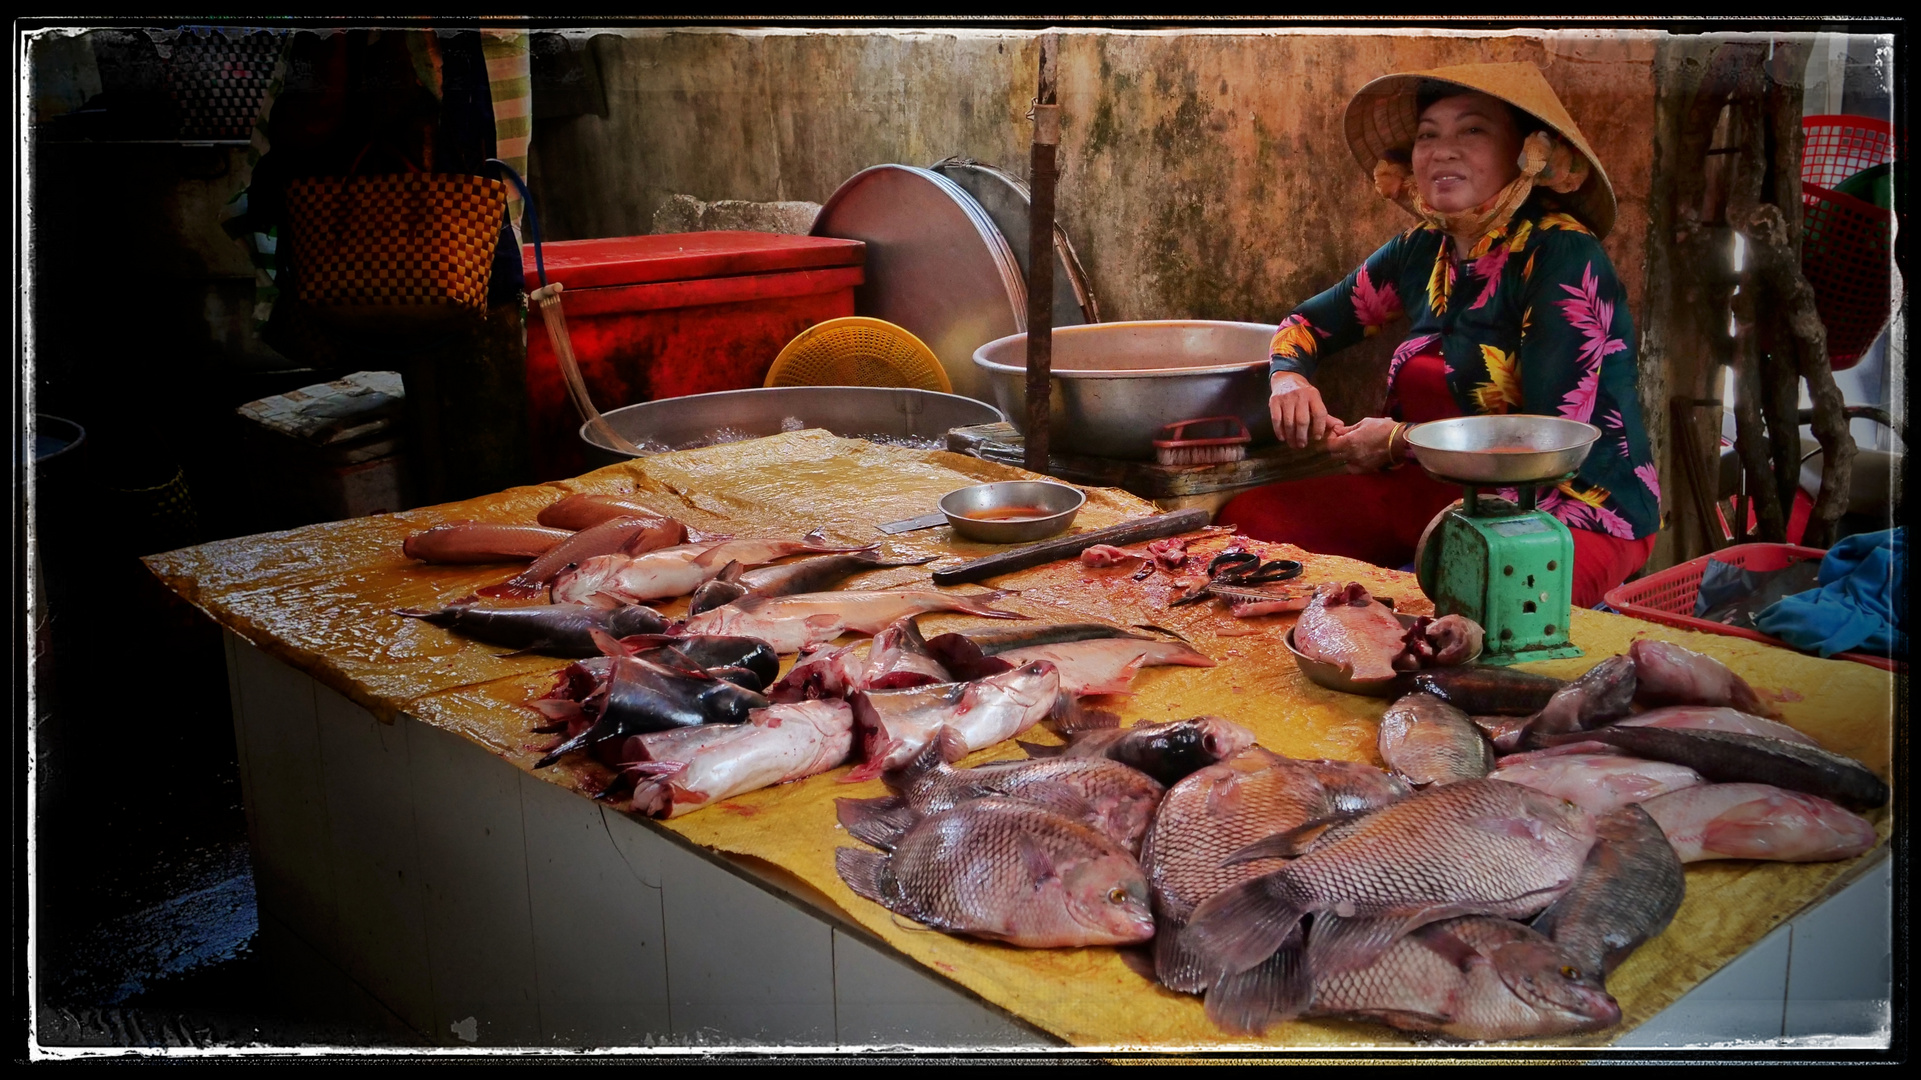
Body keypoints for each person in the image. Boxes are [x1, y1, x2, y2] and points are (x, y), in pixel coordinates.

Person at [1217, 62, 1659, 608]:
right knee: (1245, 527)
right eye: (1428, 135)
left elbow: (1547, 440)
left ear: (1528, 154)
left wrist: (1397, 440)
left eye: (1472, 130)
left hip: (1564, 508)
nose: (1441, 151)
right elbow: (1305, 325)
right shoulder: (1424, 247)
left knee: (1478, 601)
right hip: (1431, 494)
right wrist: (1288, 380)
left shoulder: (1563, 255)